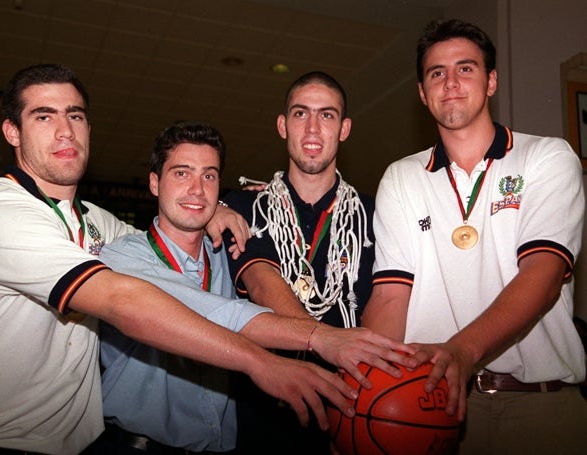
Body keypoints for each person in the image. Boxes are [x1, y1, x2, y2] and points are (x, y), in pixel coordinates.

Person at [0, 63, 373, 455]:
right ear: (12, 132)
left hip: (70, 443)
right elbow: (128, 298)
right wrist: (281, 351)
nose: (65, 130)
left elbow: (165, 239)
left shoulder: (97, 227)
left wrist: (214, 209)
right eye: (44, 116)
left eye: (75, 115)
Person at [96, 121, 416, 454]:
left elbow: (285, 275)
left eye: (209, 176)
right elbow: (215, 313)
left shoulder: (227, 256)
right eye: (181, 173)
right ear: (154, 183)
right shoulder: (123, 257)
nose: (196, 189)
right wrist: (318, 336)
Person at [362, 19, 587, 454]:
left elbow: (542, 275)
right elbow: (391, 298)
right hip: (431, 410)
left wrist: (462, 352)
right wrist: (362, 393)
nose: (450, 83)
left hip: (541, 408)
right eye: (436, 73)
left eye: (465, 69)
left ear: (491, 82)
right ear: (423, 93)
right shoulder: (401, 178)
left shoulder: (546, 156)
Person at [214, 71, 375, 454]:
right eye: (301, 114)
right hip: (261, 418)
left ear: (345, 127)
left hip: (351, 408)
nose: (314, 128)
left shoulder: (374, 217)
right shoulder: (243, 207)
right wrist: (326, 345)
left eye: (328, 115)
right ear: (283, 126)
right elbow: (259, 279)